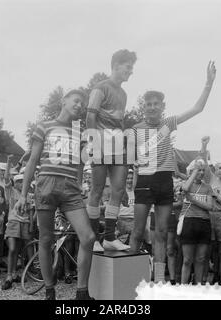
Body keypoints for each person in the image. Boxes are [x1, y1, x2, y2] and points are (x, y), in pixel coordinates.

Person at [129, 61, 217, 283]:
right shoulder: (136, 129)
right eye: (148, 104)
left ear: (162, 106)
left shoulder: (169, 123)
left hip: (164, 182)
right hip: (145, 181)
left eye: (155, 104)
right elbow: (128, 157)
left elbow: (197, 109)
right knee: (138, 232)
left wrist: (208, 83)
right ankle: (128, 277)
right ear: (143, 106)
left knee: (160, 234)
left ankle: (158, 281)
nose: (151, 107)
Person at [14, 89, 95, 300]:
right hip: (46, 184)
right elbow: (32, 160)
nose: (80, 105)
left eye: (82, 103)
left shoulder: (80, 132)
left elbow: (80, 163)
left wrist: (78, 183)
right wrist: (23, 195)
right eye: (76, 101)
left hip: (70, 189)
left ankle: (82, 292)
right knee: (46, 239)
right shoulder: (44, 126)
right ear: (64, 101)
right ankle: (50, 290)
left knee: (88, 237)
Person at [86, 49, 137, 252]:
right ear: (116, 65)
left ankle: (109, 237)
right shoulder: (100, 88)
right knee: (97, 190)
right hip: (100, 144)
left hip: (118, 146)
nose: (131, 71)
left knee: (117, 190)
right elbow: (90, 117)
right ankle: (93, 238)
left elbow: (119, 122)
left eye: (132, 68)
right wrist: (94, 144)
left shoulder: (123, 94)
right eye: (128, 67)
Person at [200, 136, 221, 285]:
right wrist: (204, 145)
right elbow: (203, 162)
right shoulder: (211, 179)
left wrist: (217, 197)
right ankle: (209, 277)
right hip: (209, 216)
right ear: (216, 169)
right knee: (209, 250)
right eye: (220, 168)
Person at [2, 155, 34, 290]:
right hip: (13, 222)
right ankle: (9, 275)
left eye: (23, 181)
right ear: (15, 183)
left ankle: (15, 274)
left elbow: (31, 211)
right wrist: (9, 162)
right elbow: (5, 178)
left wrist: (32, 224)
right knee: (12, 248)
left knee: (21, 250)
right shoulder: (11, 191)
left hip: (25, 223)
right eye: (18, 181)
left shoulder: (30, 195)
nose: (21, 183)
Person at [179, 159, 213, 284]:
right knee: (187, 260)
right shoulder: (186, 183)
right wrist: (194, 171)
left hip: (204, 223)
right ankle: (183, 287)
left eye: (203, 170)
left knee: (201, 258)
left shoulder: (207, 187)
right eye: (199, 170)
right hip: (189, 222)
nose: (201, 173)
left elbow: (210, 206)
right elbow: (186, 188)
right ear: (192, 171)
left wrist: (193, 199)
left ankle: (198, 287)